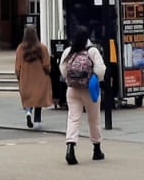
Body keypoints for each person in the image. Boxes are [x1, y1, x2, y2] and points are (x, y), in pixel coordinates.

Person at [59, 28, 107, 165]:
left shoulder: (68, 51)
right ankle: (97, 149)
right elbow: (101, 69)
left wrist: (71, 79)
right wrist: (95, 79)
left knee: (73, 118)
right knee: (94, 119)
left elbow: (62, 69)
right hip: (89, 90)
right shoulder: (92, 51)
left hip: (72, 89)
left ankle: (70, 146)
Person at [14, 26, 52, 130]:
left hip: (26, 78)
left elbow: (17, 67)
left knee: (28, 99)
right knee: (38, 98)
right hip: (40, 78)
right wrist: (47, 72)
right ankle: (37, 121)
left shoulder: (20, 48)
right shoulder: (41, 47)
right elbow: (46, 64)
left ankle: (28, 112)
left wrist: (19, 77)